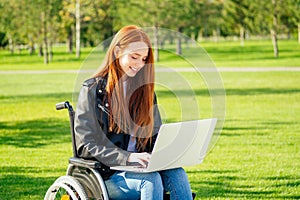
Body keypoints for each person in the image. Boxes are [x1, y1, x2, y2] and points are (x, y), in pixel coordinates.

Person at [74, 25, 193, 200]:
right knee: (150, 180)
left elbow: (155, 136)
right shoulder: (92, 89)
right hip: (104, 176)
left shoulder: (144, 92)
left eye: (144, 59)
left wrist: (168, 151)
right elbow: (86, 146)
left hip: (139, 169)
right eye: (134, 57)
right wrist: (128, 158)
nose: (139, 64)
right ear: (117, 52)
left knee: (177, 173)